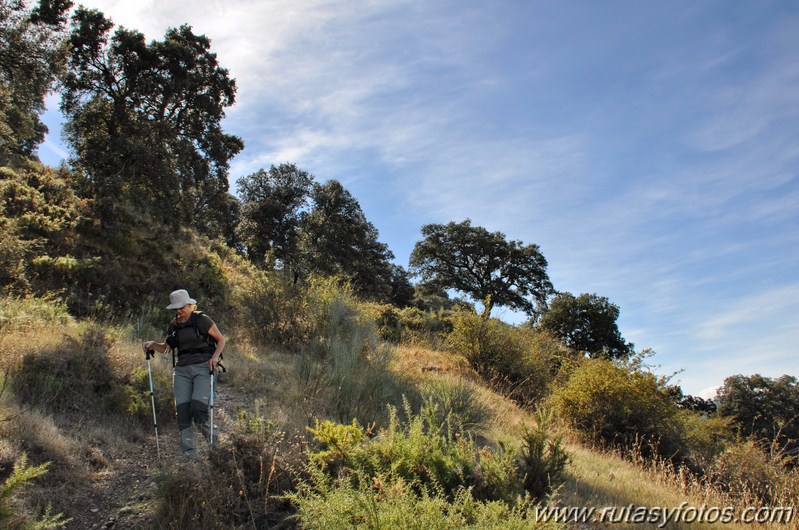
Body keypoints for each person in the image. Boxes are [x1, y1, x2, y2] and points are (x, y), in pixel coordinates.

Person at [143, 289, 225, 456]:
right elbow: (167, 348)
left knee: (197, 408)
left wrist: (215, 357)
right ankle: (190, 456)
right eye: (176, 309)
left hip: (203, 367)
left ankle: (215, 445)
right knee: (182, 412)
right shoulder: (174, 325)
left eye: (182, 307)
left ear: (189, 305)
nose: (179, 311)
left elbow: (221, 339)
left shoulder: (201, 319)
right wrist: (152, 344)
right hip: (181, 371)